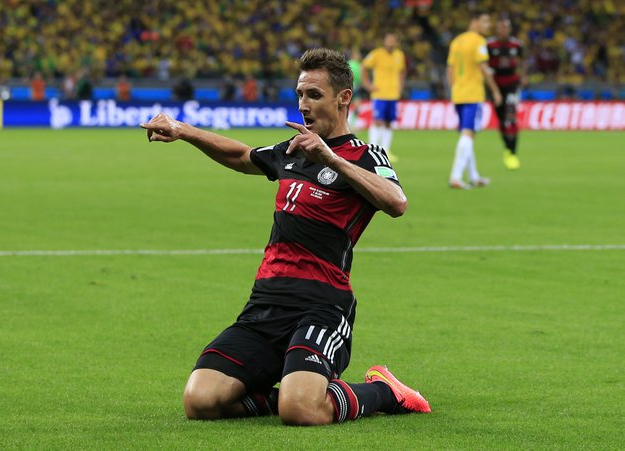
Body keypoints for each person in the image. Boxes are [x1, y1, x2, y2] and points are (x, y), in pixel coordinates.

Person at [140, 48, 431, 426]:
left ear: (343, 98)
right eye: (299, 94)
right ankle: (294, 389)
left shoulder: (363, 155)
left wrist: (331, 159)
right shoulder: (294, 150)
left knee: (302, 412)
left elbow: (396, 202)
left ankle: (386, 391)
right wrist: (182, 130)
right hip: (266, 303)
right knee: (200, 400)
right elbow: (242, 155)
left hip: (322, 306)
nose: (303, 105)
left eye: (314, 95)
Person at [446, 11, 503, 189]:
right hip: (473, 94)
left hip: (459, 93)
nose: (488, 25)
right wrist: (495, 90)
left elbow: (450, 69)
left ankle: (474, 176)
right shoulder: (479, 41)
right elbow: (484, 68)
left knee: (467, 133)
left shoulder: (456, 41)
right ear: (474, 22)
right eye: (485, 21)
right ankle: (455, 177)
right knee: (468, 134)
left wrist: (453, 89)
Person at [361, 33, 406, 162]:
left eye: (393, 40)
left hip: (393, 95)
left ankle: (386, 151)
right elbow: (364, 67)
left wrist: (400, 86)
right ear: (384, 41)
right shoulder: (376, 54)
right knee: (378, 121)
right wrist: (367, 84)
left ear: (396, 42)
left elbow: (402, 71)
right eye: (388, 40)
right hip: (379, 94)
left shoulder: (399, 55)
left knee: (388, 123)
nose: (390, 42)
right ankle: (372, 150)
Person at [487, 18, 525, 170]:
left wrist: (523, 76)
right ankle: (507, 148)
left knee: (510, 116)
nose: (503, 31)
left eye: (505, 28)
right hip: (495, 85)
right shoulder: (489, 45)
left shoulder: (517, 45)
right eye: (500, 28)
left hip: (511, 84)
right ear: (497, 30)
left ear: (509, 30)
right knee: (502, 120)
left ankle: (513, 152)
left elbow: (523, 62)